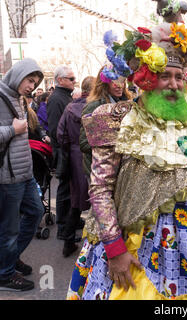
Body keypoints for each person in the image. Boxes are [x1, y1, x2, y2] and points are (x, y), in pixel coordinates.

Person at [67, 13, 187, 300]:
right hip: (132, 244)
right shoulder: (115, 120)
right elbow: (100, 188)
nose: (175, 84)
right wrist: (115, 250)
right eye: (165, 75)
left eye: (180, 77)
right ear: (146, 79)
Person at [0, 58, 44, 291]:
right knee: (9, 228)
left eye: (35, 83)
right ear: (19, 74)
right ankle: (5, 275)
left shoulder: (19, 97)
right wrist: (12, 130)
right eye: (29, 80)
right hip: (7, 176)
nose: (32, 86)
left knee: (36, 212)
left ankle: (9, 258)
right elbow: (10, 132)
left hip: (24, 173)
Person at [57, 76, 95, 257]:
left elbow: (61, 134)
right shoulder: (97, 108)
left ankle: (68, 241)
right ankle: (97, 244)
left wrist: (69, 150)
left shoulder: (70, 108)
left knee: (76, 200)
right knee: (99, 199)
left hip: (74, 155)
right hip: (94, 155)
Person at [79, 66, 133, 177]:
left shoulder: (128, 104)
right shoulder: (94, 106)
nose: (119, 86)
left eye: (122, 81)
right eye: (114, 81)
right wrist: (113, 143)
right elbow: (84, 143)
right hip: (100, 173)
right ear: (104, 84)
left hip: (122, 171)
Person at [46, 65, 76, 241]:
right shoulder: (57, 98)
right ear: (60, 80)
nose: (74, 82)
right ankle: (63, 227)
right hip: (63, 151)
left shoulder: (64, 97)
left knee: (70, 187)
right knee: (64, 188)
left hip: (67, 149)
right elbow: (57, 129)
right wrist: (63, 152)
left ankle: (70, 221)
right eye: (71, 79)